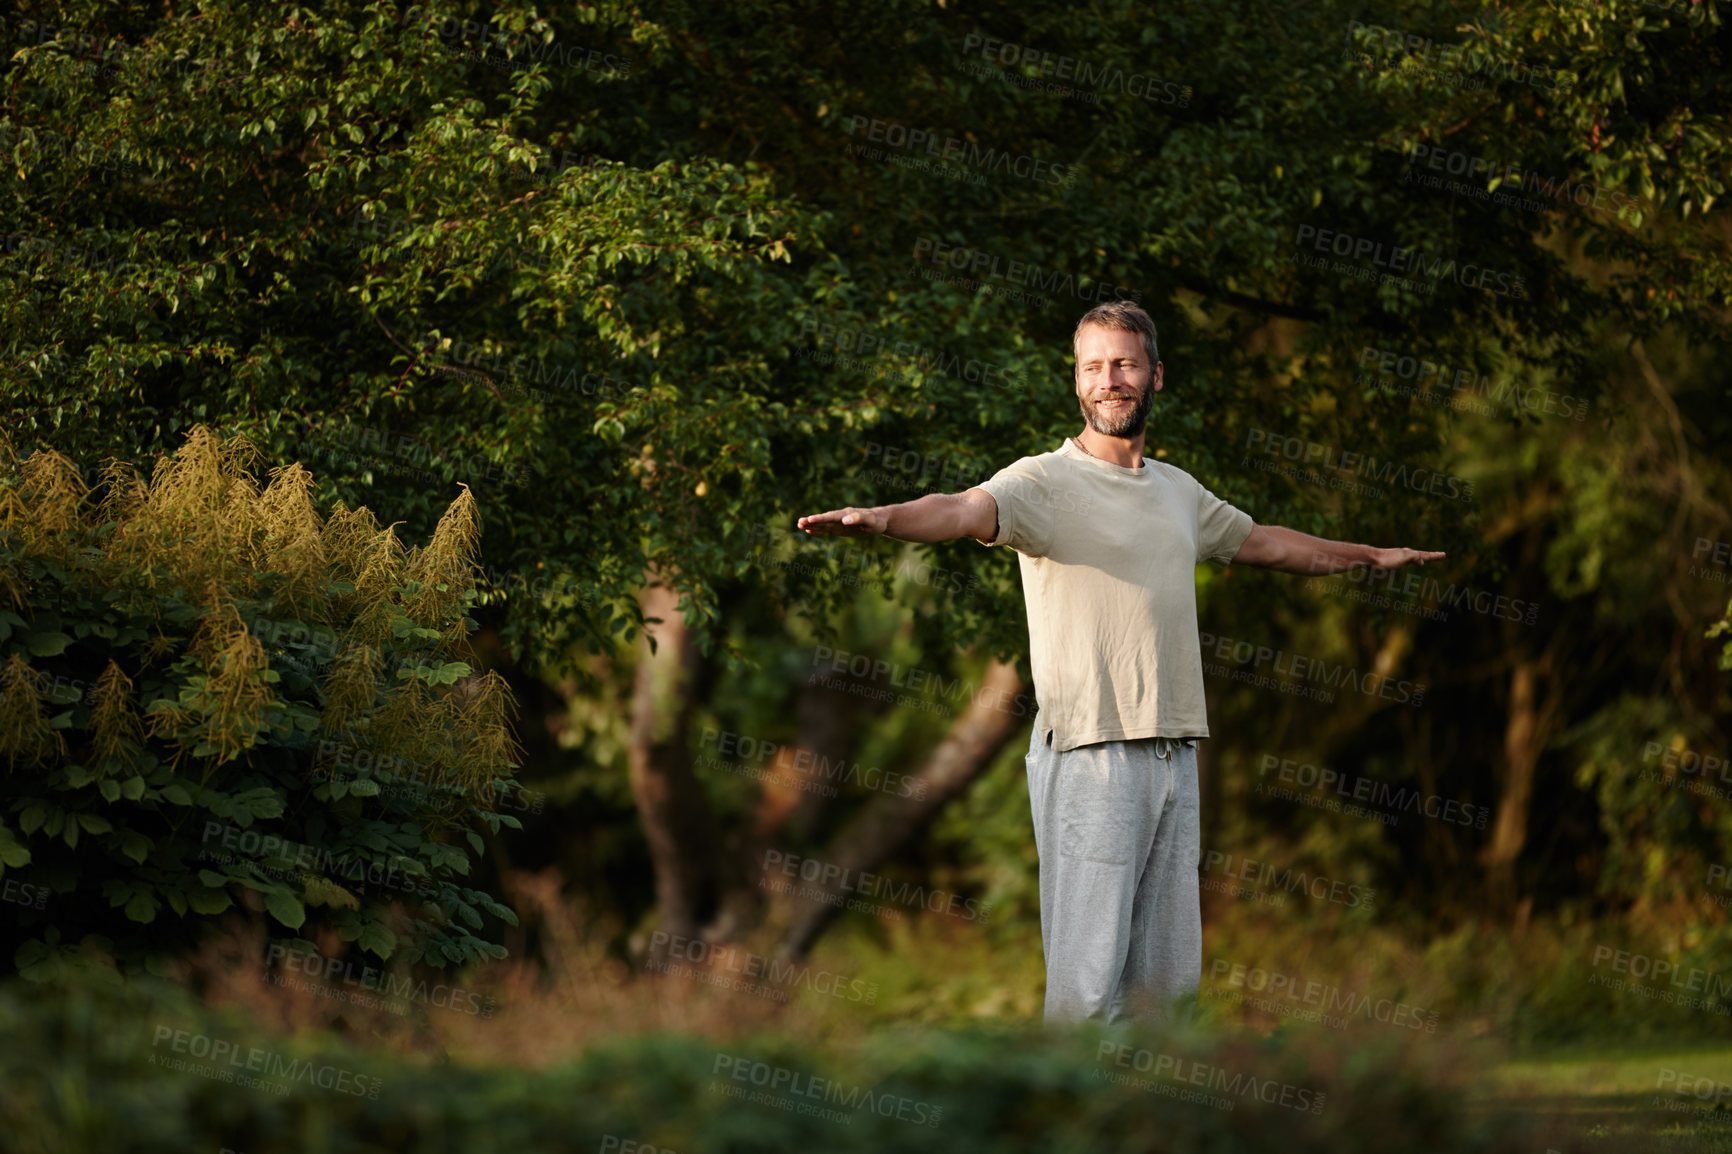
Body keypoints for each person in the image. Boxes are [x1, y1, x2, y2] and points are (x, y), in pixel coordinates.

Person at [796, 300, 1444, 1026]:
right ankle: (1069, 1127)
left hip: (1174, 753)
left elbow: (1266, 543)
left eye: (1126, 364)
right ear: (1077, 383)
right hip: (1092, 752)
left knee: (1165, 993)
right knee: (1088, 989)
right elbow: (958, 510)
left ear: (1156, 376)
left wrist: (1367, 556)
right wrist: (885, 518)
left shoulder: (1178, 492)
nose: (1111, 380)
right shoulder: (1042, 483)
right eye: (1094, 367)